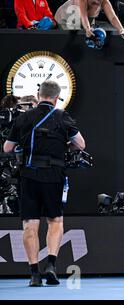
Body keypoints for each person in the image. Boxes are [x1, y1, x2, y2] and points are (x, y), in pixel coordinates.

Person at [3, 81, 85, 286]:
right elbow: (81, 144)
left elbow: (7, 148)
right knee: (55, 221)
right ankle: (51, 265)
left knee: (30, 225)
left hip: (28, 177)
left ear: (38, 95)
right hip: (53, 177)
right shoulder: (62, 117)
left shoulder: (23, 118)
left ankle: (34, 274)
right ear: (57, 98)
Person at [55, 0, 124, 44]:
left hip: (84, 19)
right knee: (73, 40)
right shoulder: (82, 1)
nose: (99, 2)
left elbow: (112, 17)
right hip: (66, 18)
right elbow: (84, 15)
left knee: (89, 38)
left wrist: (122, 31)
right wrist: (87, 29)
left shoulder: (104, 2)